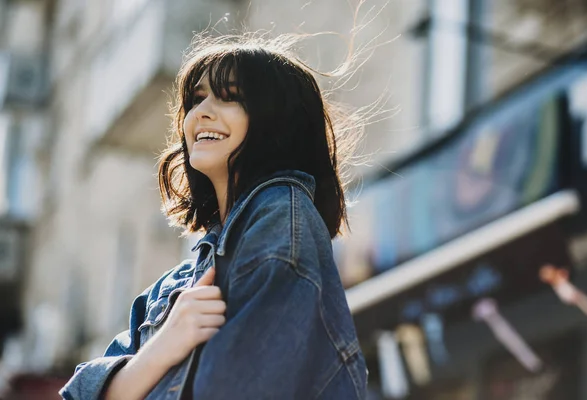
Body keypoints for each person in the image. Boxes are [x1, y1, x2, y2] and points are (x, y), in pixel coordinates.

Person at [59, 31, 368, 400]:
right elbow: (78, 394)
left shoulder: (280, 216)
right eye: (196, 99)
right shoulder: (170, 291)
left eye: (230, 97)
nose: (201, 112)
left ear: (277, 120)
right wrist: (160, 349)